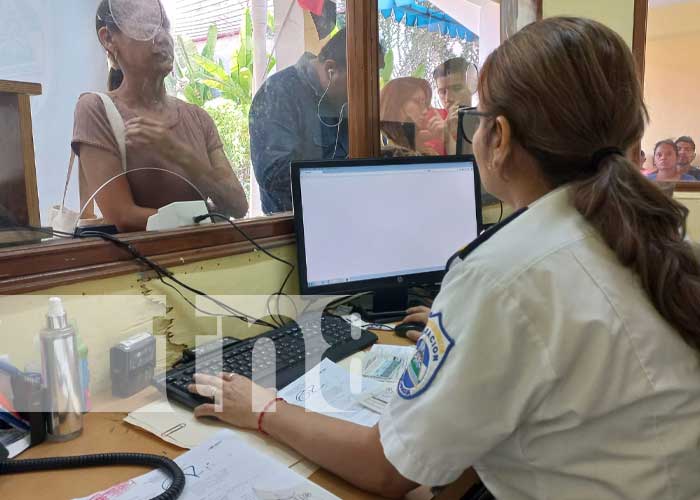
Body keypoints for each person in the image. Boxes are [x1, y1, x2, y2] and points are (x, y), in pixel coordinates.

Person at [187, 17, 700, 499]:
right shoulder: (650, 237)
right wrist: (458, 333)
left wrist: (263, 408)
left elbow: (389, 468)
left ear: (498, 138)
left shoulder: (500, 277)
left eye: (477, 119)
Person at [72, 0, 248, 233]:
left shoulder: (198, 118)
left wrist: (178, 153)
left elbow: (237, 205)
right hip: (142, 268)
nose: (163, 37)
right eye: (146, 26)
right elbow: (122, 216)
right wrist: (206, 220)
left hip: (208, 265)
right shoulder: (95, 109)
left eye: (165, 26)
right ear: (108, 39)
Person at [249, 29, 349, 215]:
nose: (360, 94)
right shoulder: (278, 93)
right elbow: (274, 174)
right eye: (356, 83)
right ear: (330, 70)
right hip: (291, 232)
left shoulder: (344, 103)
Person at [379, 77, 445, 156]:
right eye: (417, 102)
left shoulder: (417, 145)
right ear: (396, 103)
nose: (425, 111)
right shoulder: (381, 142)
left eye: (425, 104)